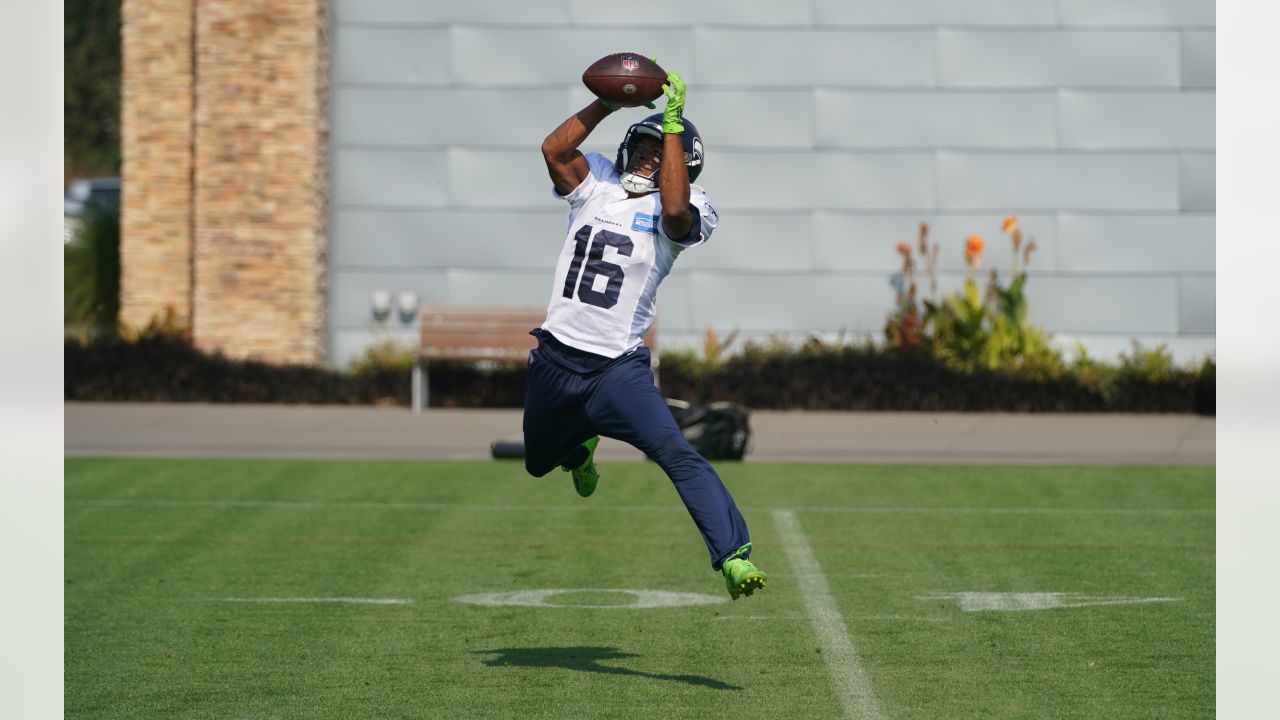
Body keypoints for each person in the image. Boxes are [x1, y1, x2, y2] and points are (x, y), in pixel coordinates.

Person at [525, 68, 766, 600]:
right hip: (556, 358)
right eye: (644, 147)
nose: (647, 159)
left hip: (616, 368)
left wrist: (672, 124)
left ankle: (733, 555)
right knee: (539, 462)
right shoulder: (601, 182)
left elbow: (677, 212)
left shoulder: (688, 206)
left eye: (662, 154)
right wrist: (607, 103)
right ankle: (579, 450)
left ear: (682, 162)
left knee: (675, 452)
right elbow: (554, 150)